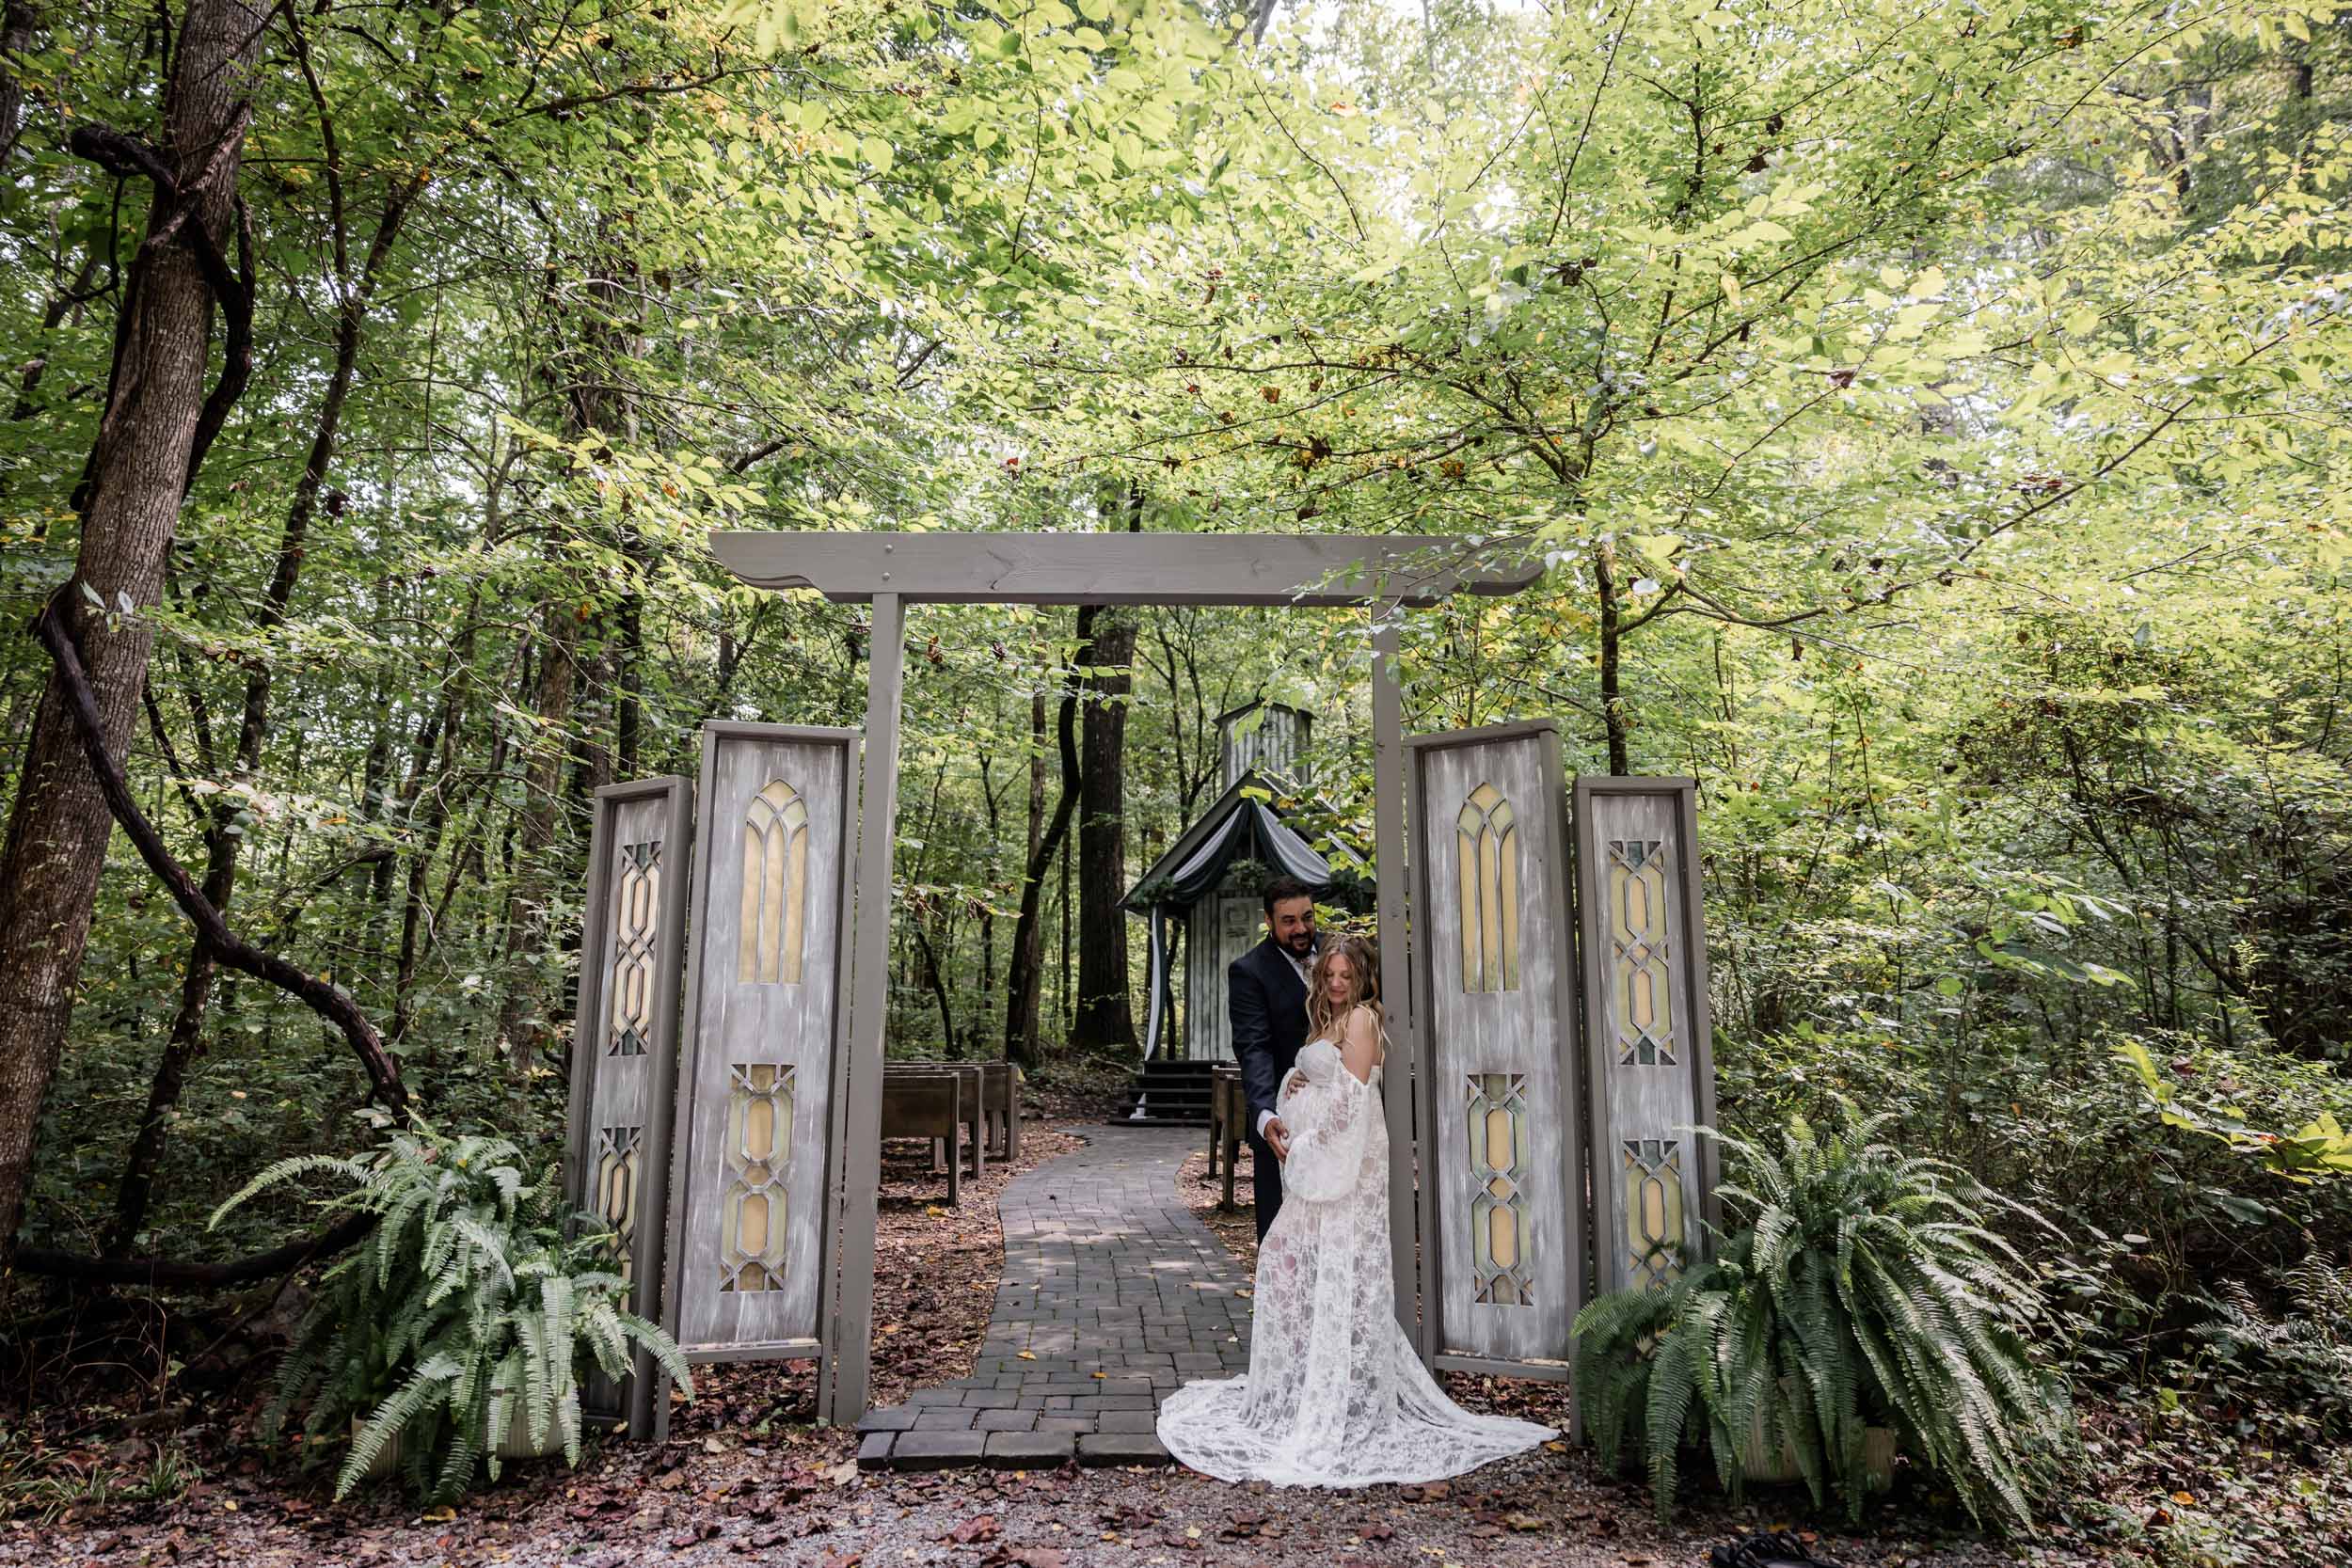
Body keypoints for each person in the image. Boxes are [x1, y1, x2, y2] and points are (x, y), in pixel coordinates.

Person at [1158, 936, 1558, 1486]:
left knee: (1336, 1269)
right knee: (1290, 1262)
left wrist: (1302, 1141)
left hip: (1346, 1168)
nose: (1337, 982)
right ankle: (1313, 1382)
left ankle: (1343, 1394)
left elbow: (1350, 1106)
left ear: (1364, 977)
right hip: (1319, 1167)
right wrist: (1295, 1087)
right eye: (1330, 974)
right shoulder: (1329, 1019)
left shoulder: (1365, 1020)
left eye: (1347, 974)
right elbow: (1323, 1084)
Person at [1227, 877, 1318, 1241]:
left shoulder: (1338, 956)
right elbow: (1254, 1047)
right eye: (1289, 921)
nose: (1301, 929)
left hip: (1339, 1119)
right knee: (1280, 1238)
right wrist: (1265, 1114)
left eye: (1307, 917)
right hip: (1283, 1121)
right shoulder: (1249, 972)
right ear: (1268, 921)